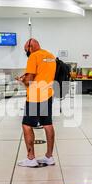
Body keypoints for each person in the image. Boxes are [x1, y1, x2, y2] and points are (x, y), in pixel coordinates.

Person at [17, 39, 57, 167]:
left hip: (35, 96)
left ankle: (31, 158)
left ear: (30, 47)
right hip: (48, 94)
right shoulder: (50, 56)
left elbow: (29, 80)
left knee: (26, 125)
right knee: (48, 124)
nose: (26, 53)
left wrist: (22, 80)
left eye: (25, 50)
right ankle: (49, 157)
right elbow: (43, 74)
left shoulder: (33, 56)